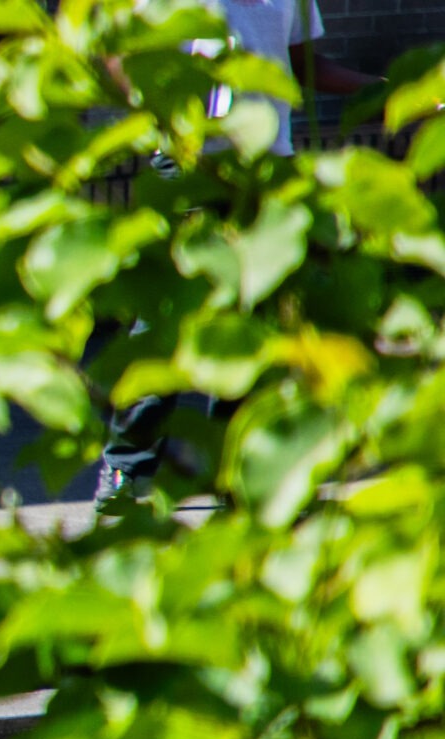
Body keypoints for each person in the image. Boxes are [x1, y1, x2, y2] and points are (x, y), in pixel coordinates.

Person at [93, 0, 382, 507]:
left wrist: (391, 92)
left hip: (269, 171)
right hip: (190, 166)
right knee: (170, 317)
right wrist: (156, 110)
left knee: (256, 320)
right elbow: (117, 53)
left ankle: (234, 474)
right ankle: (125, 469)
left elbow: (304, 67)